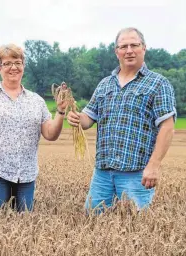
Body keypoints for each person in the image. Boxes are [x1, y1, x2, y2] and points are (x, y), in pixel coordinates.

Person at [67, 27, 176, 212]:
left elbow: (167, 127)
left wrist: (154, 165)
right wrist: (76, 117)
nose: (129, 50)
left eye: (134, 45)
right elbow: (88, 118)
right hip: (103, 173)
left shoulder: (158, 83)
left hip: (136, 174)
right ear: (116, 51)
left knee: (136, 230)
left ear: (144, 48)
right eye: (123, 46)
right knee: (91, 226)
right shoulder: (105, 84)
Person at [0, 43, 67, 212]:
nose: (13, 67)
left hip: (26, 173)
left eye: (17, 62)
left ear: (23, 65)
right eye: (7, 63)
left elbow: (50, 134)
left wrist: (60, 111)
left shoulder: (36, 100)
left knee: (24, 224)